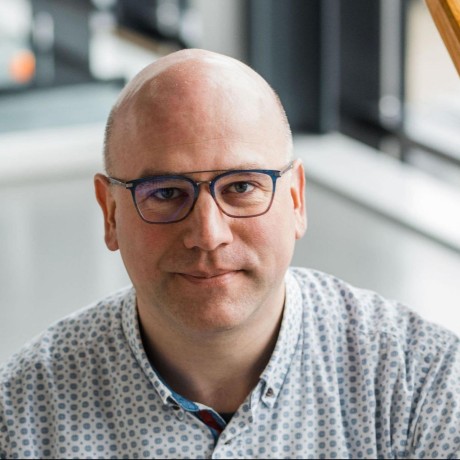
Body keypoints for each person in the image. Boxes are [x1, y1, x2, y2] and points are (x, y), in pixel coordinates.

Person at [0, 49, 459, 460]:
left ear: (296, 199)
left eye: (241, 186)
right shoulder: (22, 418)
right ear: (111, 213)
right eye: (165, 192)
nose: (208, 235)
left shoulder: (425, 386)